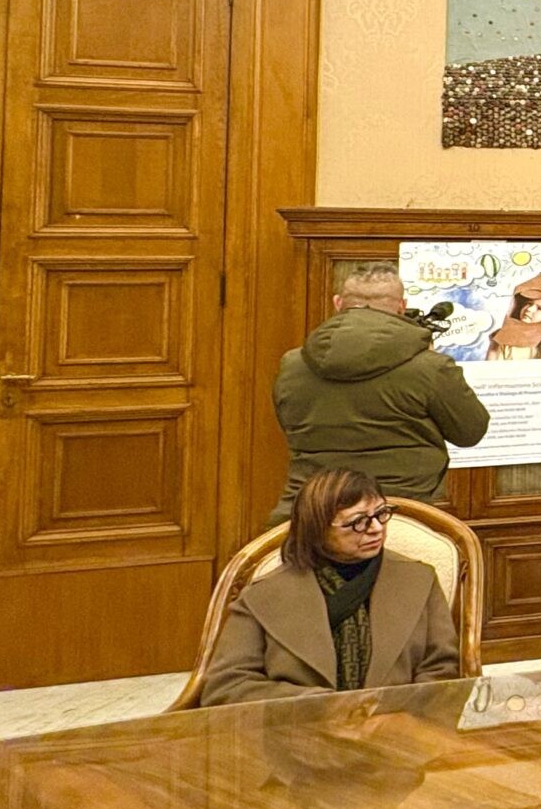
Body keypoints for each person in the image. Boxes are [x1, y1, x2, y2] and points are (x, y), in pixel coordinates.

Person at [202, 469, 463, 705]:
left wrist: (394, 713)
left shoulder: (418, 579)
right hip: (297, 730)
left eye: (381, 514)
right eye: (358, 521)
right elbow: (228, 686)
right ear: (317, 529)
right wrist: (318, 706)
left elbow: (442, 670)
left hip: (397, 728)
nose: (376, 529)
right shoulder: (263, 595)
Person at [272, 265, 490, 522]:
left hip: (306, 513)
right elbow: (470, 431)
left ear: (338, 303)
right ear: (401, 306)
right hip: (392, 517)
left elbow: (291, 425)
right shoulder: (430, 366)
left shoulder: (292, 363)